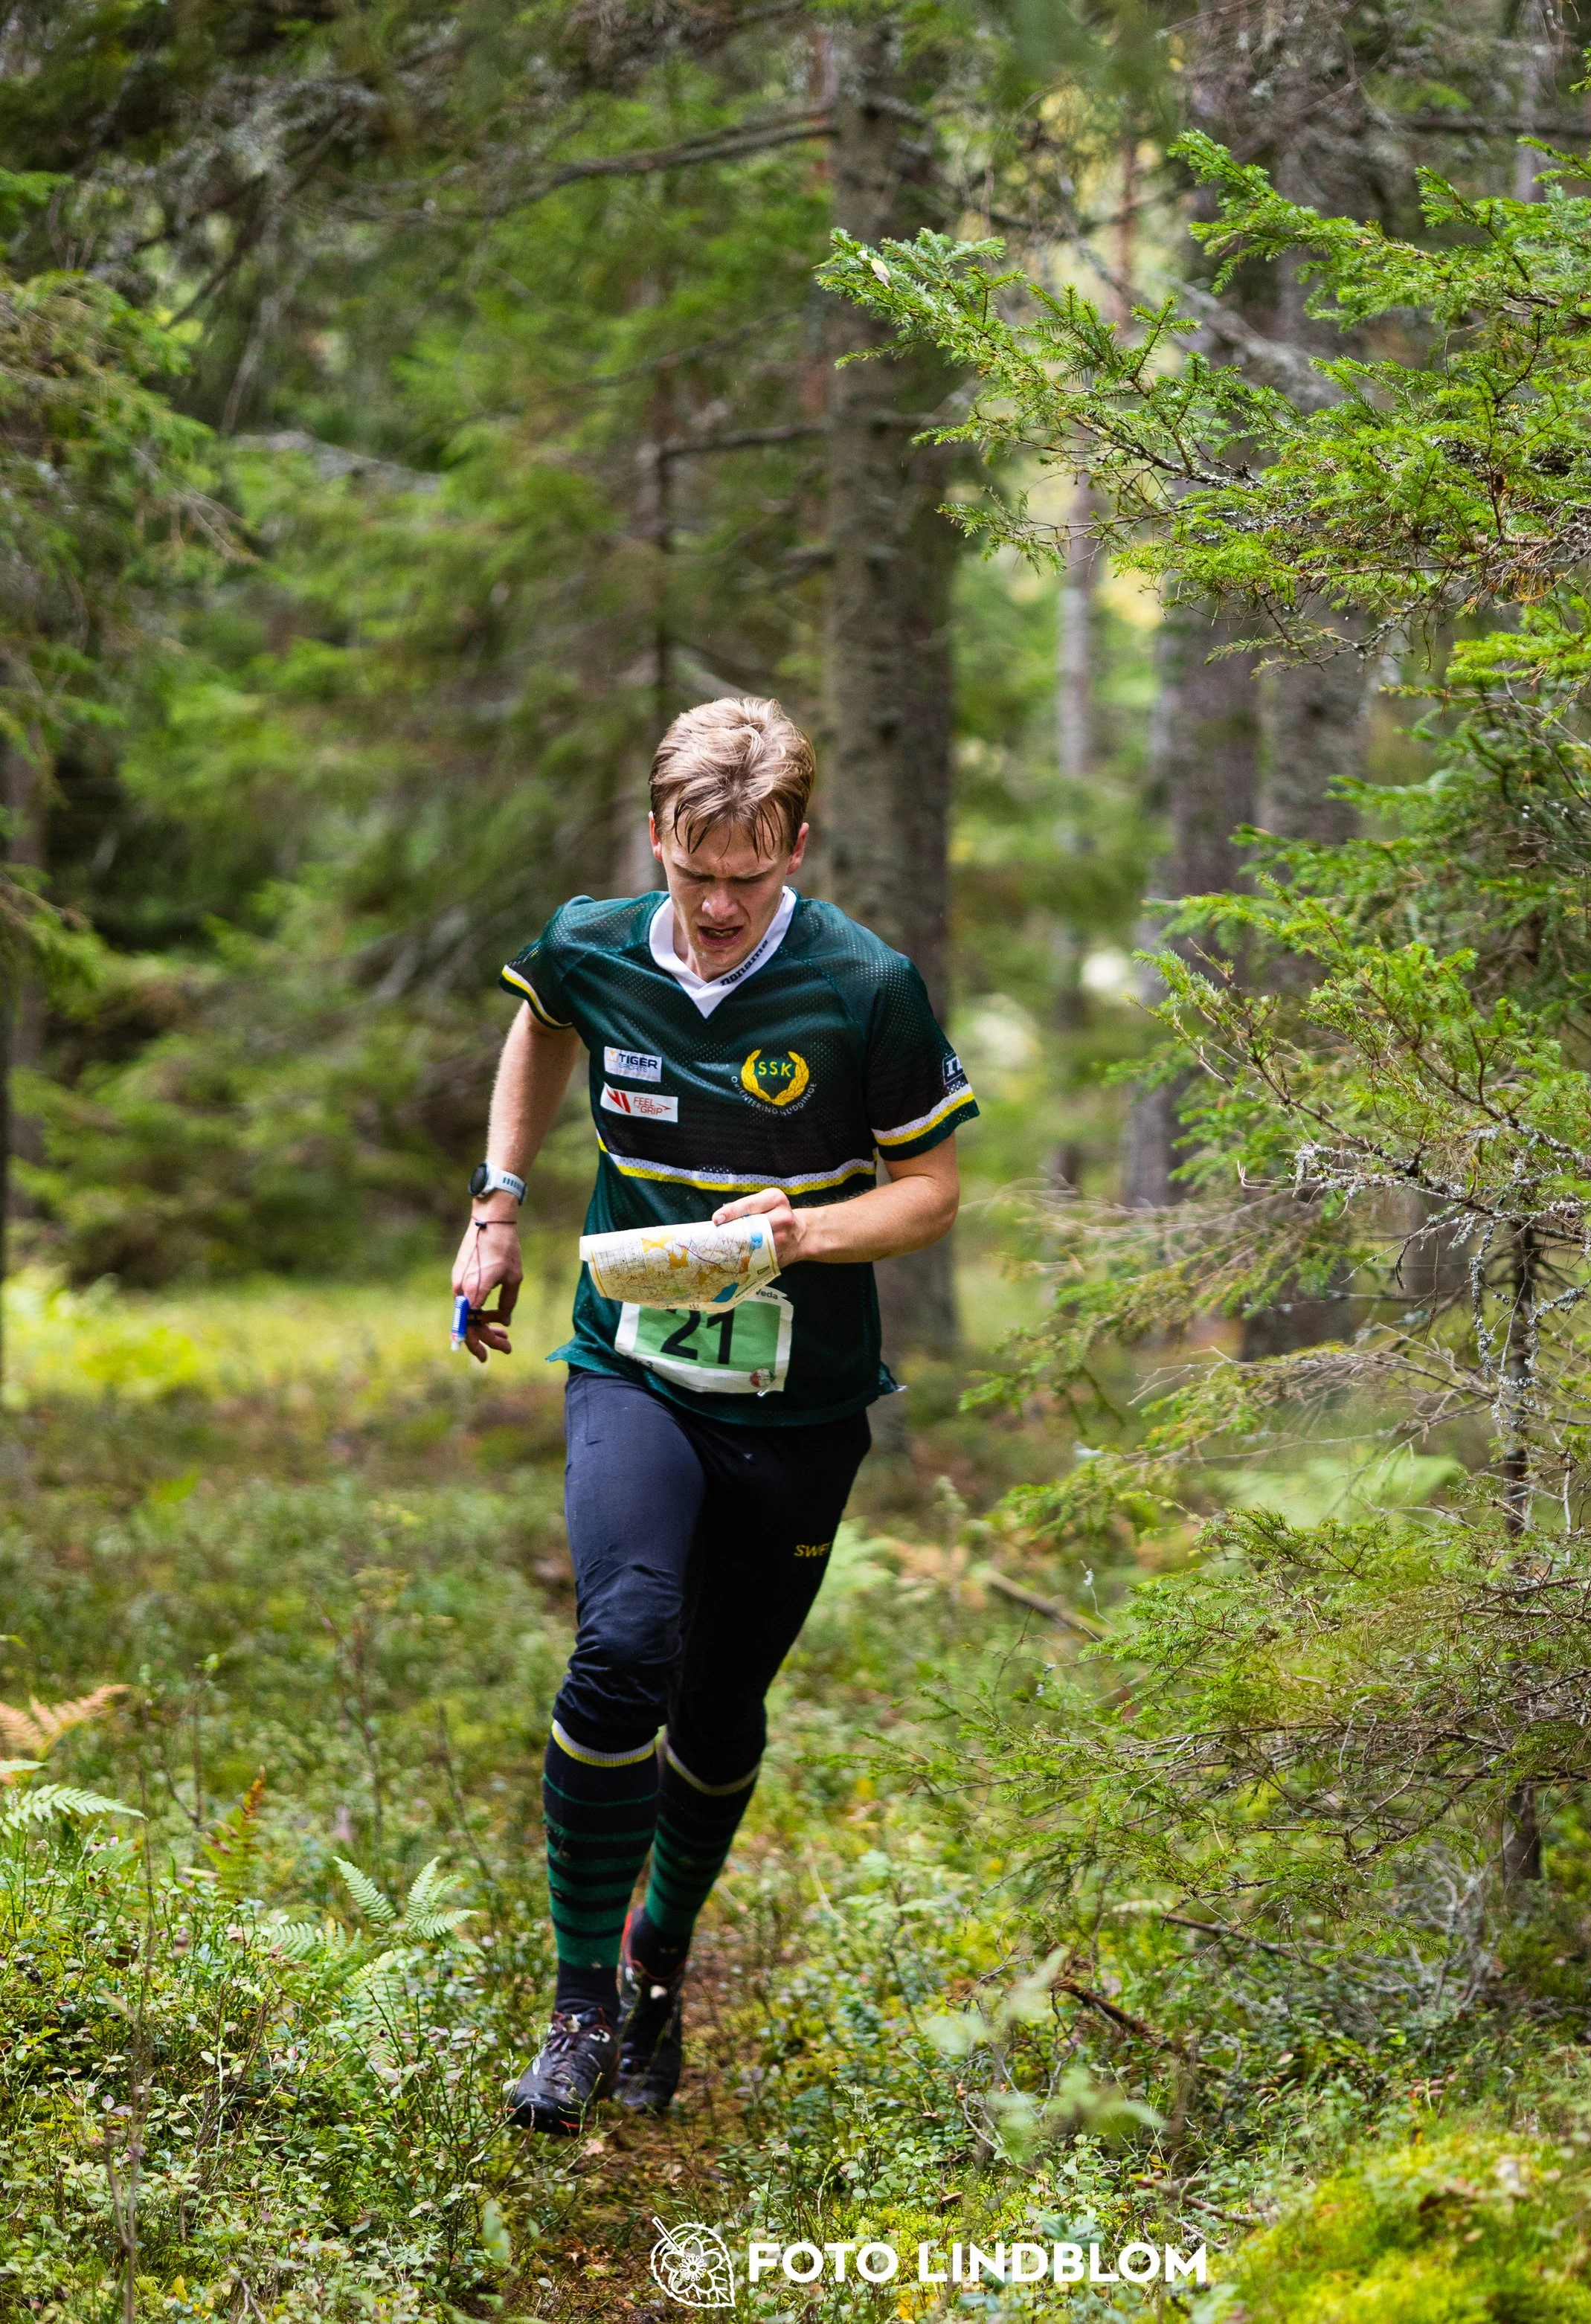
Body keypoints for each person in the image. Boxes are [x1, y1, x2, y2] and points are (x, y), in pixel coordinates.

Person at [453, 696, 977, 2134]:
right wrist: (500, 1202)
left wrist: (803, 1235)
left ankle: (659, 1967)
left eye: (751, 874)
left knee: (721, 1705)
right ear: (658, 843)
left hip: (800, 1403)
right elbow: (541, 1025)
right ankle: (573, 2009)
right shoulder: (593, 939)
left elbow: (931, 1194)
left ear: (797, 844)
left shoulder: (865, 988)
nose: (723, 904)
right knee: (623, 1640)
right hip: (630, 1359)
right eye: (697, 874)